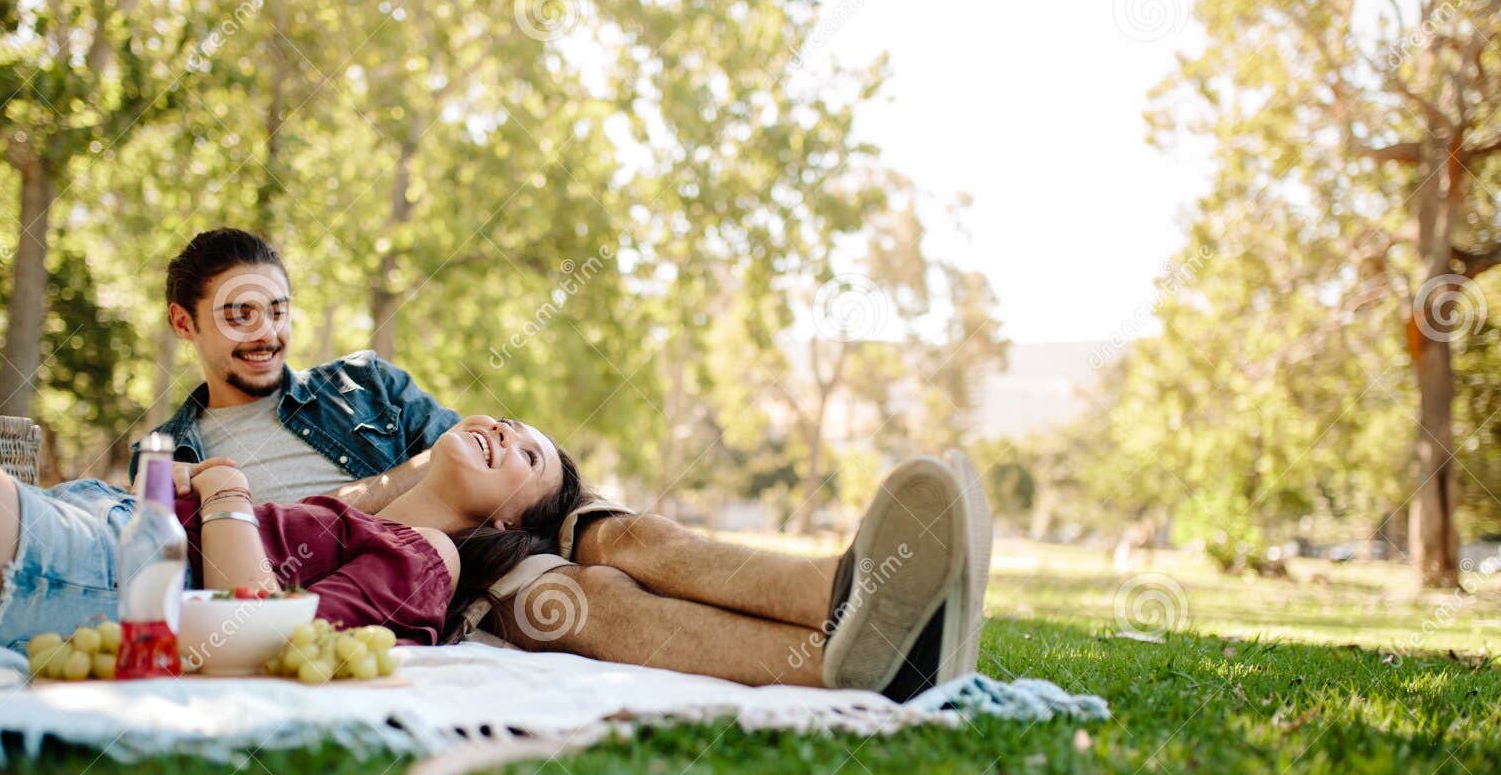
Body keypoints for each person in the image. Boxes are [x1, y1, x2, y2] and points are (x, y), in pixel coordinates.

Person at [135, 229, 992, 700]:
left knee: (621, 541)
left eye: (278, 309)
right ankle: (854, 659)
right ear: (187, 325)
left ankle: (840, 591)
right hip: (380, 574)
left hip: (464, 523)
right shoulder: (181, 455)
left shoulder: (364, 382)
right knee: (572, 602)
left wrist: (584, 513)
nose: (267, 333)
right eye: (240, 314)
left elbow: (470, 451)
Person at [0, 404, 582, 649]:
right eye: (507, 421)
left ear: (509, 520)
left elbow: (261, 630)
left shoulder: (431, 558)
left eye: (528, 453)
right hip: (92, 519)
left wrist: (224, 488)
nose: (502, 429)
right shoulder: (365, 515)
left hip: (99, 571)